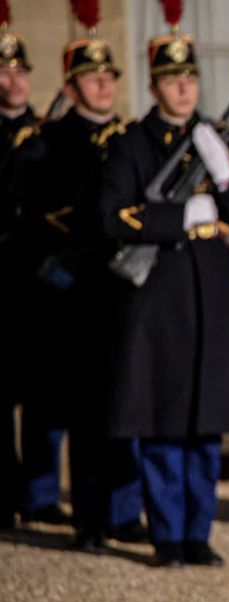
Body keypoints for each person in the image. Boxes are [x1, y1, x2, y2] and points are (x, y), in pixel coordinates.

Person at [98, 3, 229, 567]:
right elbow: (112, 216)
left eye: (190, 78)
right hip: (159, 297)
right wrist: (182, 218)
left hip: (211, 291)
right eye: (172, 79)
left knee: (206, 419)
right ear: (154, 84)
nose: (184, 88)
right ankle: (168, 534)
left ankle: (199, 531)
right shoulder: (131, 144)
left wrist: (223, 172)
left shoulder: (222, 140)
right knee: (164, 421)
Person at [12, 2, 146, 550]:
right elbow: (37, 213)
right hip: (75, 292)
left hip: (126, 288)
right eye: (91, 77)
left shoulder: (134, 139)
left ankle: (126, 508)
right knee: (87, 408)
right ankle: (92, 516)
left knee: (129, 403)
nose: (103, 85)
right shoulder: (47, 143)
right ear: (71, 85)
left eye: (108, 75)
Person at [0, 6, 70, 529]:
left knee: (45, 392)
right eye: (4, 72)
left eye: (21, 71)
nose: (14, 80)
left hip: (39, 280)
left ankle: (41, 494)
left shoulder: (49, 135)